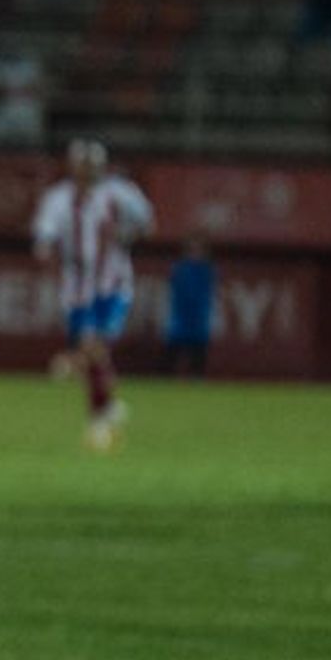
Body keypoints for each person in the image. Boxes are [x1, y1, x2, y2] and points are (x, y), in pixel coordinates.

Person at [31, 138, 154, 451]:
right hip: (77, 288)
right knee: (95, 351)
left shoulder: (119, 193)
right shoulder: (59, 199)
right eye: (81, 165)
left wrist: (127, 234)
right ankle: (106, 409)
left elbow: (147, 223)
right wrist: (46, 249)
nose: (86, 171)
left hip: (113, 282)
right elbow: (44, 235)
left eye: (91, 165)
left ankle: (96, 412)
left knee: (94, 346)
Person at [163, 236, 216, 377]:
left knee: (198, 354)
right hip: (180, 316)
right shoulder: (179, 268)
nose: (194, 253)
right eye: (192, 249)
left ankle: (197, 379)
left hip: (199, 318)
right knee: (173, 351)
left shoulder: (206, 270)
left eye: (198, 250)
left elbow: (207, 294)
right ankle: (166, 379)